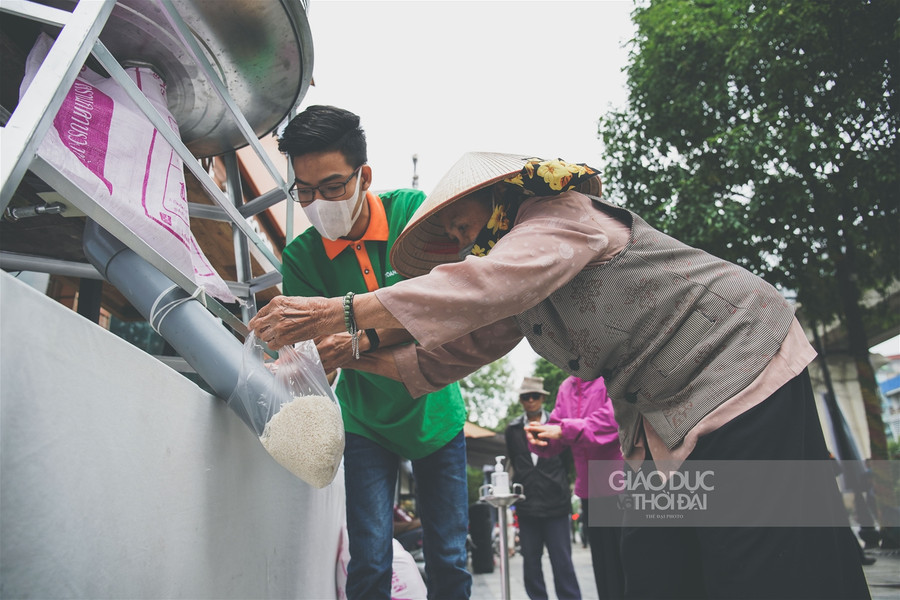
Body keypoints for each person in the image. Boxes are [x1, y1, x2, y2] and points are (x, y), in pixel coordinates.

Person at [249, 152, 870, 599]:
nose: (465, 241)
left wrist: (342, 310)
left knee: (767, 554)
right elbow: (440, 358)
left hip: (736, 361)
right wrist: (346, 354)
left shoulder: (558, 215)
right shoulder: (522, 286)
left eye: (465, 225)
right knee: (649, 563)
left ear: (501, 196)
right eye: (458, 238)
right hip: (661, 412)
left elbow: (485, 282)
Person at [274, 106, 470, 600]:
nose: (319, 203)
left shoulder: (413, 215)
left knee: (449, 558)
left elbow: (440, 308)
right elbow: (313, 357)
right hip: (364, 423)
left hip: (435, 412)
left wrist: (359, 338)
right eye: (305, 190)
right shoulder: (300, 258)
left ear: (364, 176)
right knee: (369, 561)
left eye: (333, 186)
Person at [526, 376, 625, 600]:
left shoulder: (609, 377)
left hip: (620, 483)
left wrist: (564, 430)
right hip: (590, 488)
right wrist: (540, 436)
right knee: (604, 567)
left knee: (628, 564)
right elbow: (558, 428)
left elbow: (615, 418)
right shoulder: (567, 386)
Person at [505, 376, 581, 600]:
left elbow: (567, 462)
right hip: (527, 506)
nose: (530, 401)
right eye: (525, 397)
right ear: (521, 400)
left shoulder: (557, 425)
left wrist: (559, 485)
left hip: (556, 505)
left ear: (542, 398)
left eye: (534, 396)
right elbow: (515, 460)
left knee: (562, 562)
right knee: (530, 562)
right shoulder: (512, 429)